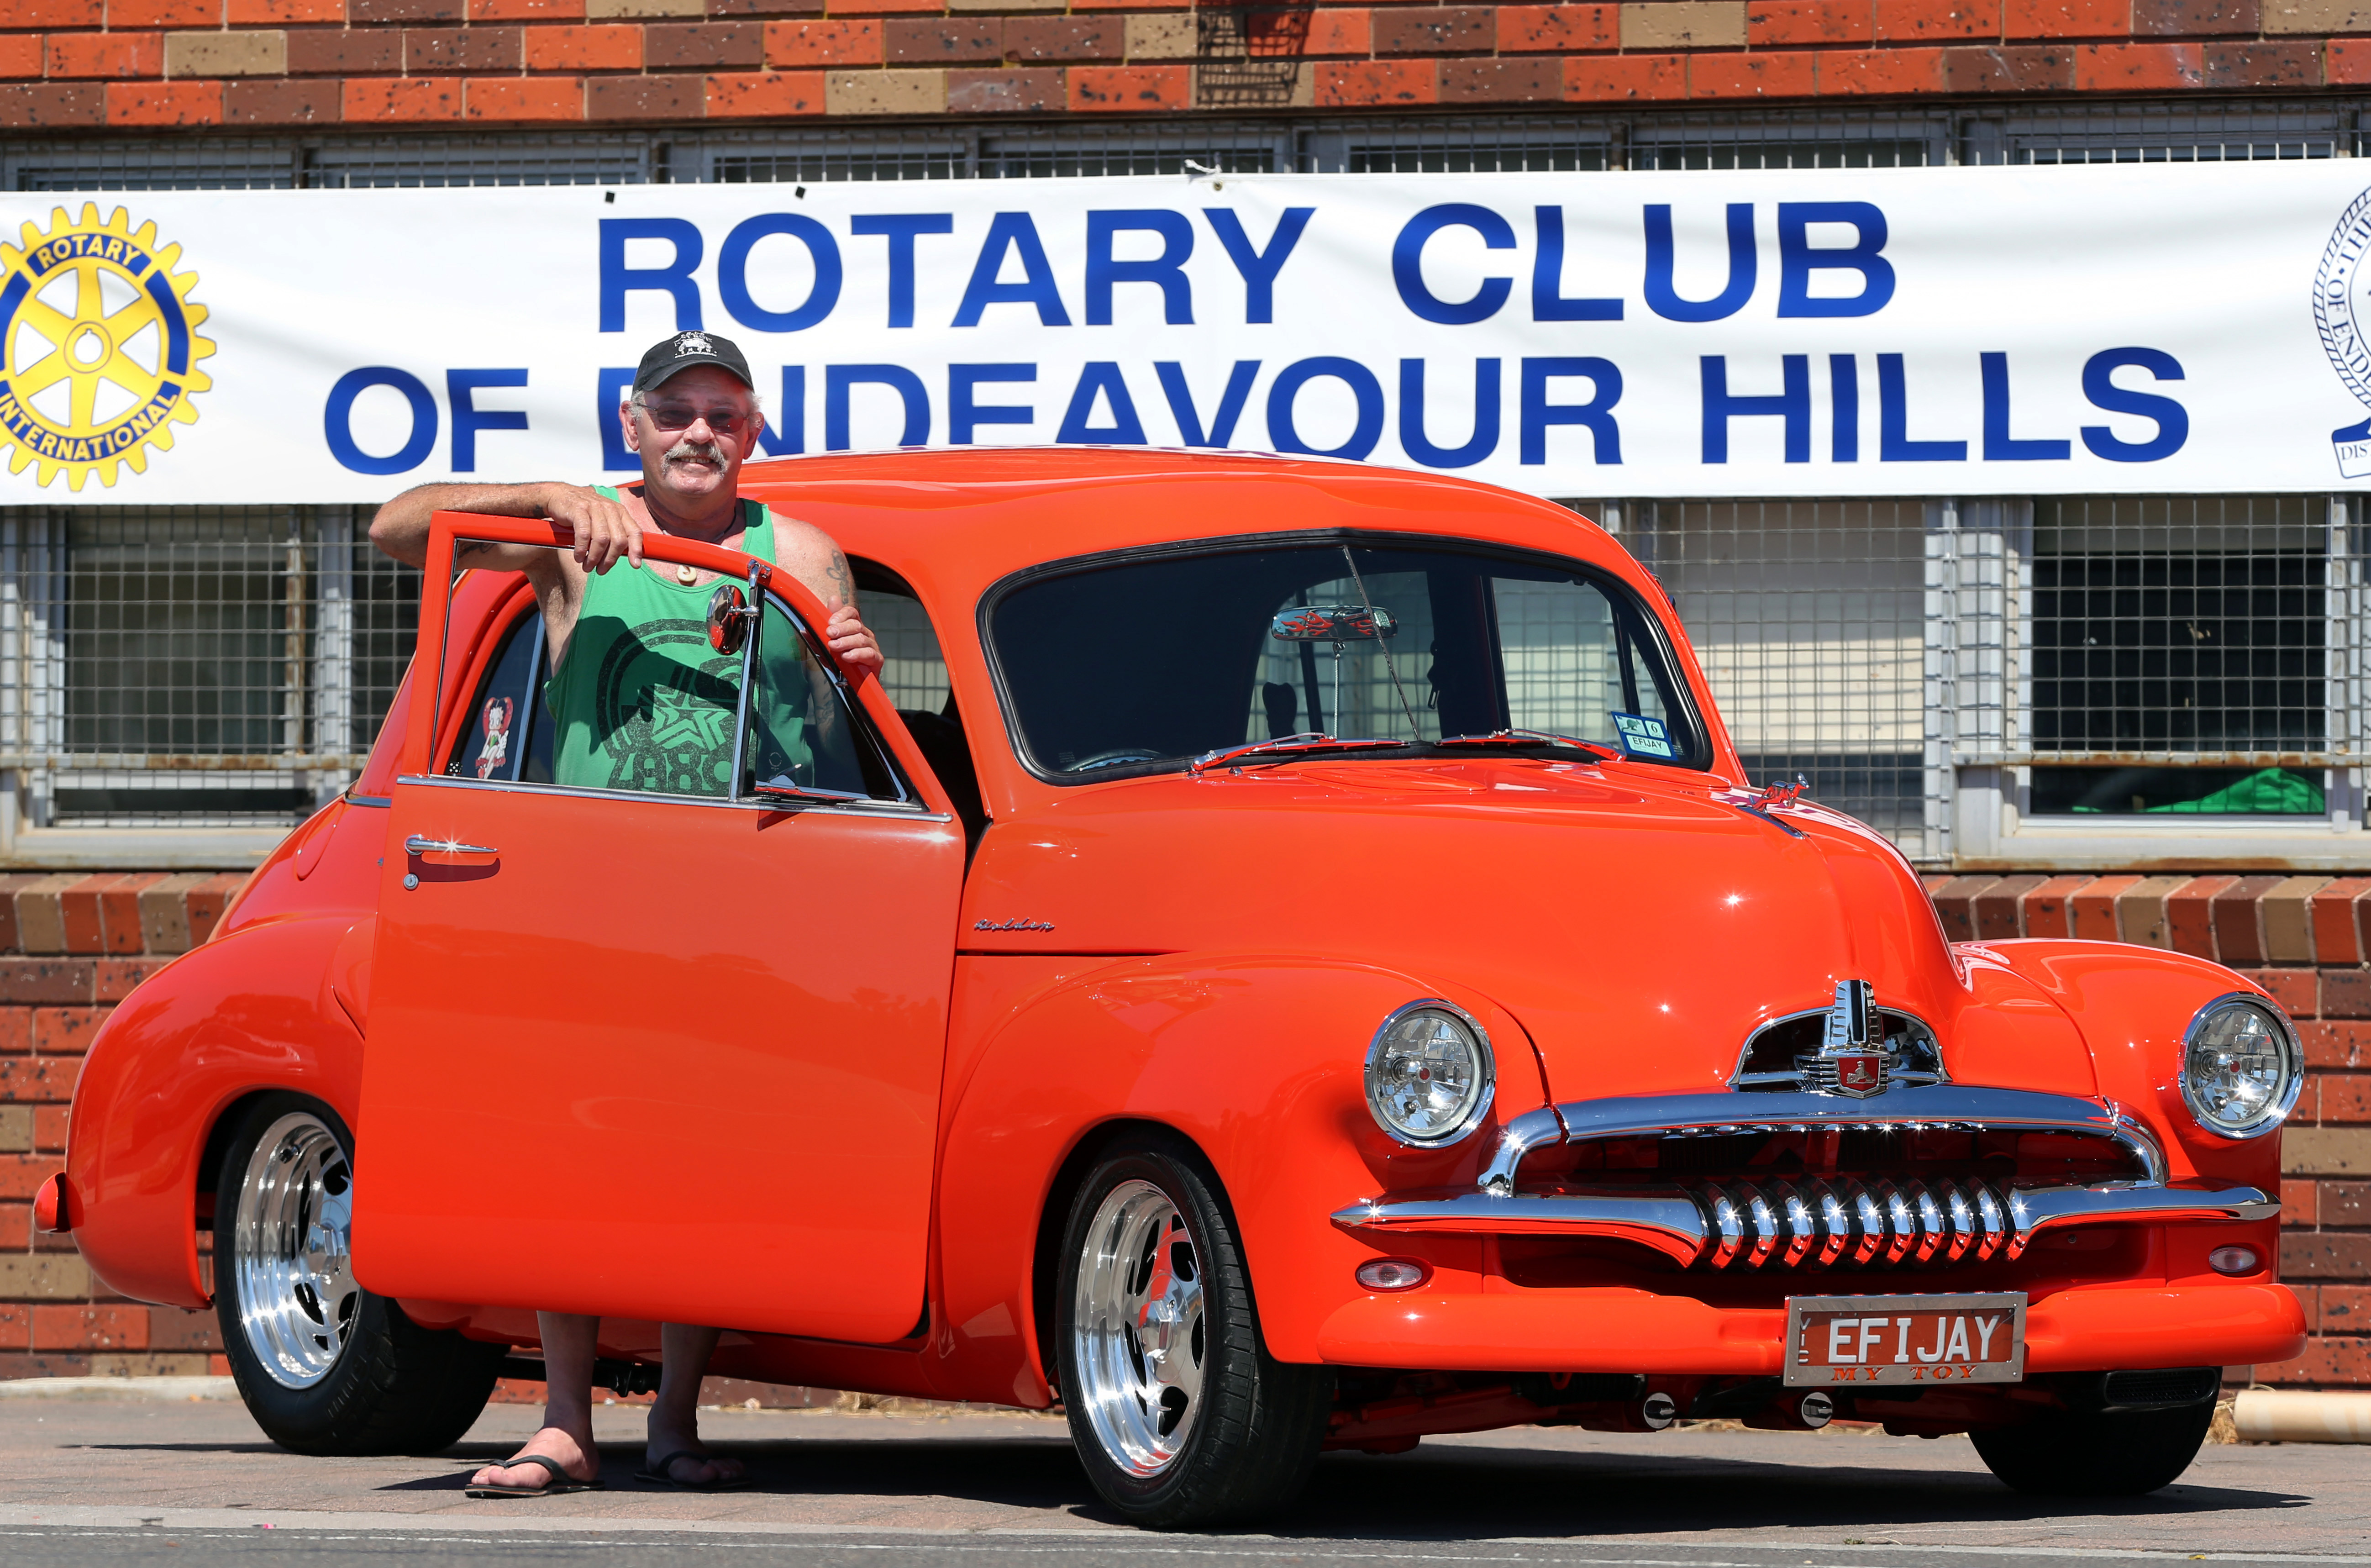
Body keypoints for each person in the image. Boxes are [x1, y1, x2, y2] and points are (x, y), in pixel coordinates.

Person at [368, 328, 883, 1496]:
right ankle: (562, 1424)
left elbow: (839, 731)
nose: (701, 431)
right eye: (677, 411)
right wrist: (546, 495)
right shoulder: (581, 539)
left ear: (753, 434)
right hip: (589, 893)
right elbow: (400, 528)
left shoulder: (799, 549)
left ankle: (675, 1423)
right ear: (633, 427)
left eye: (724, 413)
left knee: (704, 1159)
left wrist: (854, 656)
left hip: (743, 892)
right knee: (577, 1151)